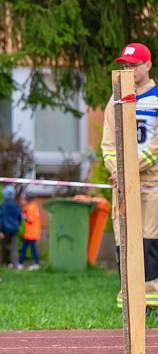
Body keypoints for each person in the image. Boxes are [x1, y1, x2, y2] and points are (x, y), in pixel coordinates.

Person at [101, 42, 158, 307]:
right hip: (121, 182)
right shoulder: (116, 98)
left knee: (149, 239)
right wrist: (117, 170)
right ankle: (128, 297)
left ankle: (151, 297)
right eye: (125, 65)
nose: (129, 70)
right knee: (123, 237)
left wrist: (131, 169)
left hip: (151, 182)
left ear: (147, 65)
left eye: (134, 65)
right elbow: (108, 143)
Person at [0, 185, 22, 268]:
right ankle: (15, 264)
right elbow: (19, 217)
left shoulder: (1, 205)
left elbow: (0, 218)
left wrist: (0, 230)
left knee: (3, 248)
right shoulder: (16, 205)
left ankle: (1, 264)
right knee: (14, 248)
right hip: (14, 229)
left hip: (5, 229)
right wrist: (17, 224)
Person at [18, 192, 40, 271]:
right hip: (30, 232)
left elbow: (30, 220)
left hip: (32, 232)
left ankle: (36, 263)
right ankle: (21, 263)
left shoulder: (31, 207)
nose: (23, 200)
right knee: (25, 248)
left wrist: (24, 216)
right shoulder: (33, 206)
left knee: (32, 249)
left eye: (25, 199)